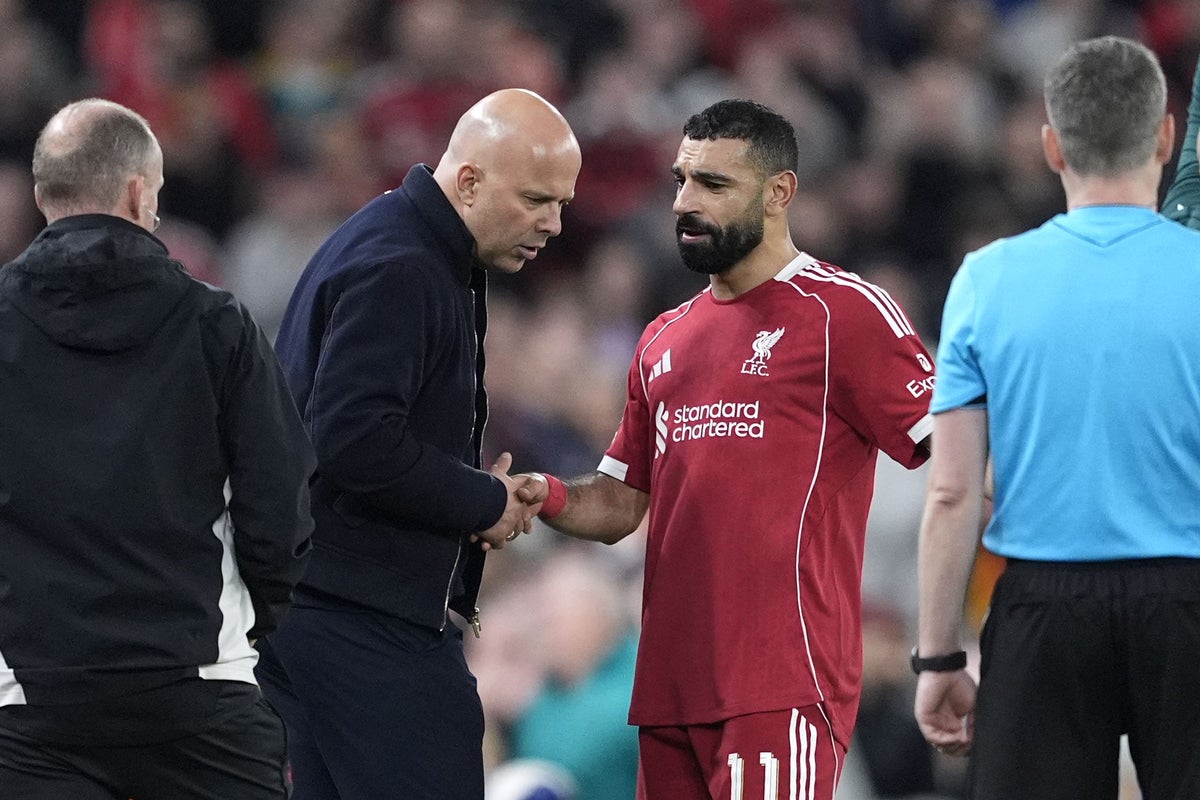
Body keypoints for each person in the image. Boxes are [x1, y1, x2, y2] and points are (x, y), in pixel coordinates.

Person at [518, 99, 935, 800]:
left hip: (782, 682)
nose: (685, 202)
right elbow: (621, 501)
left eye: (713, 184)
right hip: (669, 693)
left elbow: (952, 445)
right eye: (681, 180)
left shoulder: (844, 312)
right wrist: (545, 495)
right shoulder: (664, 338)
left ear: (779, 193)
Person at [255, 88, 582, 800]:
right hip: (360, 622)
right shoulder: (403, 265)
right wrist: (480, 499)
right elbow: (352, 439)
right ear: (469, 181)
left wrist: (468, 494)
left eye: (561, 203)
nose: (554, 224)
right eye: (535, 200)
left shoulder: (404, 241)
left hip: (318, 611)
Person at [0, 98, 315, 799]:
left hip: (31, 707)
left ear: (42, 195)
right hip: (200, 696)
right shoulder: (219, 325)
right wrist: (249, 625)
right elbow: (280, 506)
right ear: (140, 193)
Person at [913, 36, 1200, 800]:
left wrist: (938, 658)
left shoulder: (986, 281)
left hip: (1045, 609)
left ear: (1051, 146)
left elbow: (953, 492)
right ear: (1165, 136)